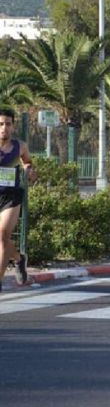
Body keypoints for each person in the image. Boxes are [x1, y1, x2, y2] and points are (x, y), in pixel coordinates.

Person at [0, 109, 34, 291]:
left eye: (8, 124)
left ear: (13, 126)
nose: (4, 128)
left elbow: (28, 162)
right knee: (2, 238)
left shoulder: (20, 146)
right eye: (0, 124)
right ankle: (19, 259)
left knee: (3, 234)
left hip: (11, 196)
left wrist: (29, 170)